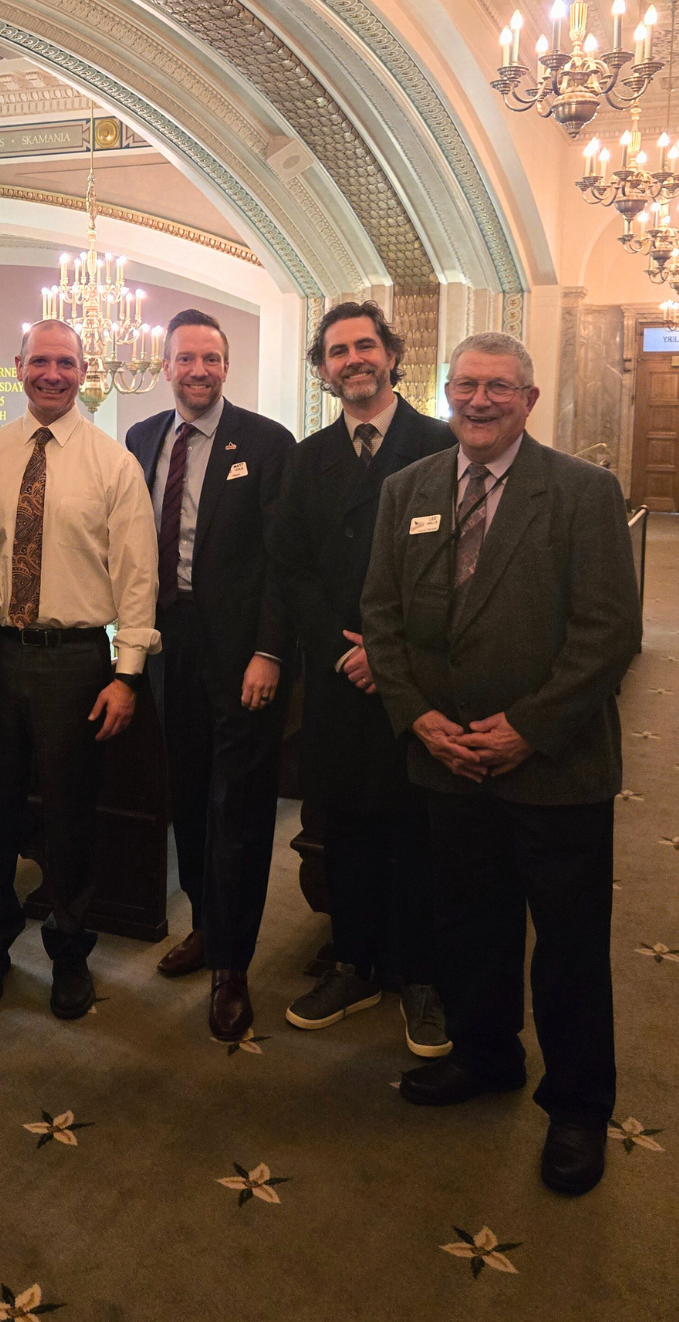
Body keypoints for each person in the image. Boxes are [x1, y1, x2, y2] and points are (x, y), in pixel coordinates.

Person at [361, 332, 641, 1196]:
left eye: (498, 387)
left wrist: (526, 727)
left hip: (554, 767)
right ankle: (485, 1057)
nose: (479, 402)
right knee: (471, 925)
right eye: (465, 386)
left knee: (566, 945)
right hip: (448, 760)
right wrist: (420, 720)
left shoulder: (583, 493)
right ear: (445, 392)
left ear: (529, 395)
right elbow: (382, 618)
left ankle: (578, 1106)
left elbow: (607, 635)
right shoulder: (406, 489)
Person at [0, 320, 159, 1020]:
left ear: (82, 370)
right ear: (18, 366)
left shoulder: (113, 464)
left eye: (65, 362)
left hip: (76, 662)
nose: (52, 373)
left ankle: (70, 952)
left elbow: (138, 575)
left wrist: (127, 675)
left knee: (72, 816)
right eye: (39, 360)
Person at [272, 302, 456, 1056]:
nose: (354, 359)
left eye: (366, 346)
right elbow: (292, 568)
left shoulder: (441, 445)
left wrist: (388, 652)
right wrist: (339, 648)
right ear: (322, 369)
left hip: (417, 676)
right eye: (338, 350)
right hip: (337, 678)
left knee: (417, 830)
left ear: (391, 355)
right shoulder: (308, 457)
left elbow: (457, 569)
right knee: (340, 824)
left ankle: (419, 975)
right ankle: (351, 963)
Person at [126, 309, 295, 1042]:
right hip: (171, 643)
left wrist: (270, 650)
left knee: (240, 807)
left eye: (212, 359)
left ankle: (232, 963)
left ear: (227, 366)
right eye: (186, 358)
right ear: (164, 366)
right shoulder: (140, 440)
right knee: (188, 797)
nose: (199, 370)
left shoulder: (264, 442)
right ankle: (203, 922)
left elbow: (284, 560)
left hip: (240, 652)